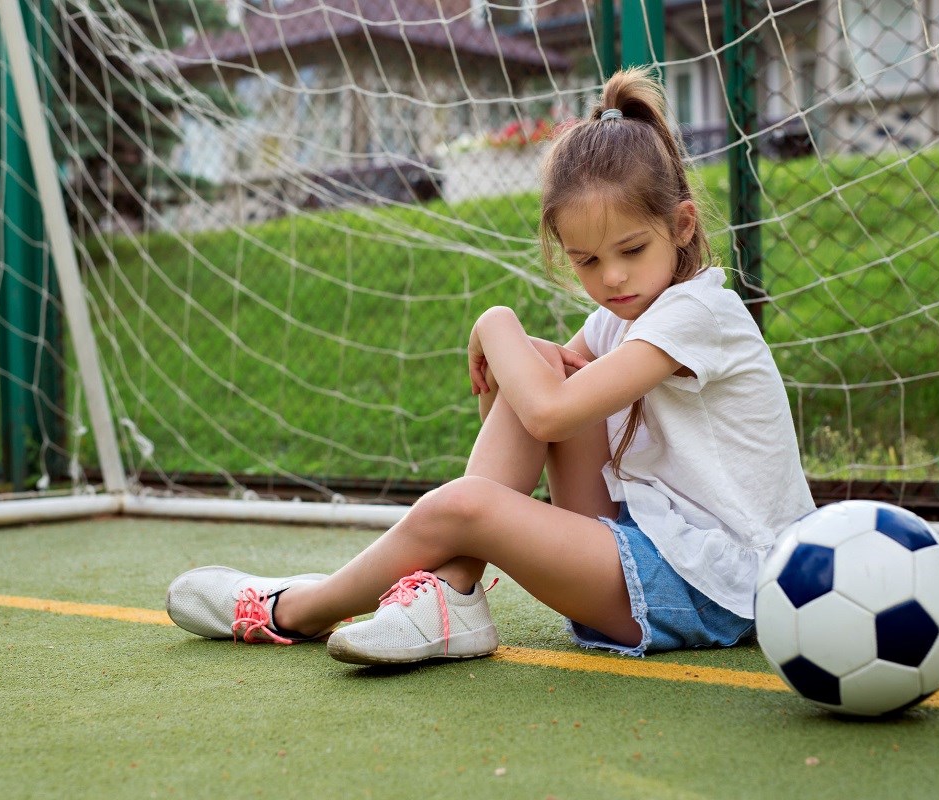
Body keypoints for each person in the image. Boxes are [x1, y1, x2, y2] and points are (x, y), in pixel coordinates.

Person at [166, 67, 815, 664]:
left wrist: (494, 321)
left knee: (476, 488)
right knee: (538, 362)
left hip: (723, 584)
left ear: (681, 225)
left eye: (631, 249)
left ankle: (297, 608)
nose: (612, 277)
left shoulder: (700, 312)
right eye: (587, 261)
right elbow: (521, 422)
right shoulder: (623, 315)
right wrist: (517, 355)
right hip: (650, 551)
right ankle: (452, 593)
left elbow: (547, 413)